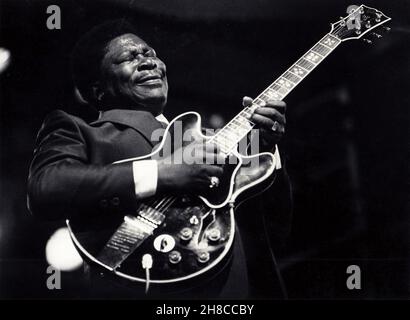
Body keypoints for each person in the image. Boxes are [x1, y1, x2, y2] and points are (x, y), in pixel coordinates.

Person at [27, 20, 292, 299]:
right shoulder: (80, 130)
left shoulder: (205, 140)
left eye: (150, 53)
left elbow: (275, 233)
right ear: (97, 89)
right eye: (129, 58)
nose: (148, 62)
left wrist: (265, 148)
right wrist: (162, 173)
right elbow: (46, 187)